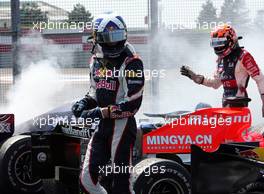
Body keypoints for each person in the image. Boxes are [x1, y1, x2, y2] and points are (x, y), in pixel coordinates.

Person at [72, 13, 144, 194]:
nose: (113, 43)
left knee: (121, 184)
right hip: (103, 126)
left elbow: (133, 104)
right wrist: (84, 102)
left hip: (123, 126)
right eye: (108, 39)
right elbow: (95, 91)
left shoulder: (132, 61)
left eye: (117, 37)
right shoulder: (95, 60)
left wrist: (102, 112)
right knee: (86, 180)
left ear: (125, 34)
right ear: (98, 38)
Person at [180, 24, 264, 116]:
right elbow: (215, 83)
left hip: (239, 106)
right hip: (226, 104)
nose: (218, 47)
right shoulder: (221, 59)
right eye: (215, 43)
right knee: (201, 107)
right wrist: (196, 78)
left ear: (231, 40)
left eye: (220, 43)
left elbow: (260, 79)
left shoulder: (244, 56)